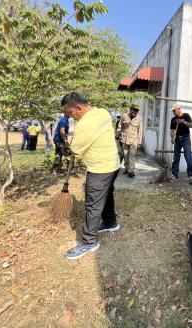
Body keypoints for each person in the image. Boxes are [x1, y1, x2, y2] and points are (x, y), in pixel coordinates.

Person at [61, 92, 120, 259]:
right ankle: (110, 222)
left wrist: (71, 144)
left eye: (71, 113)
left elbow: (76, 152)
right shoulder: (103, 113)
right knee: (107, 195)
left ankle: (89, 242)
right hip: (113, 165)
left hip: (100, 170)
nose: (72, 117)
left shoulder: (84, 126)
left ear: (79, 107)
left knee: (93, 204)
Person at [169, 104, 192, 185]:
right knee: (176, 157)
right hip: (177, 139)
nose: (173, 112)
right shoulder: (173, 119)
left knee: (188, 157)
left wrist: (184, 122)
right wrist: (172, 138)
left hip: (186, 138)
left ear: (179, 109)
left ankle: (190, 176)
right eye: (172, 110)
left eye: (174, 110)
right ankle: (174, 175)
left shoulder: (186, 115)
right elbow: (172, 130)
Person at [117, 105, 143, 178]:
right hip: (124, 139)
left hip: (134, 140)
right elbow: (120, 126)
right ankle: (126, 168)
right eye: (133, 110)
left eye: (136, 110)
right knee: (125, 155)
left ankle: (131, 171)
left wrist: (139, 142)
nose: (134, 112)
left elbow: (140, 131)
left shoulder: (139, 118)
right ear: (130, 109)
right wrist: (117, 135)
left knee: (132, 155)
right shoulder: (124, 116)